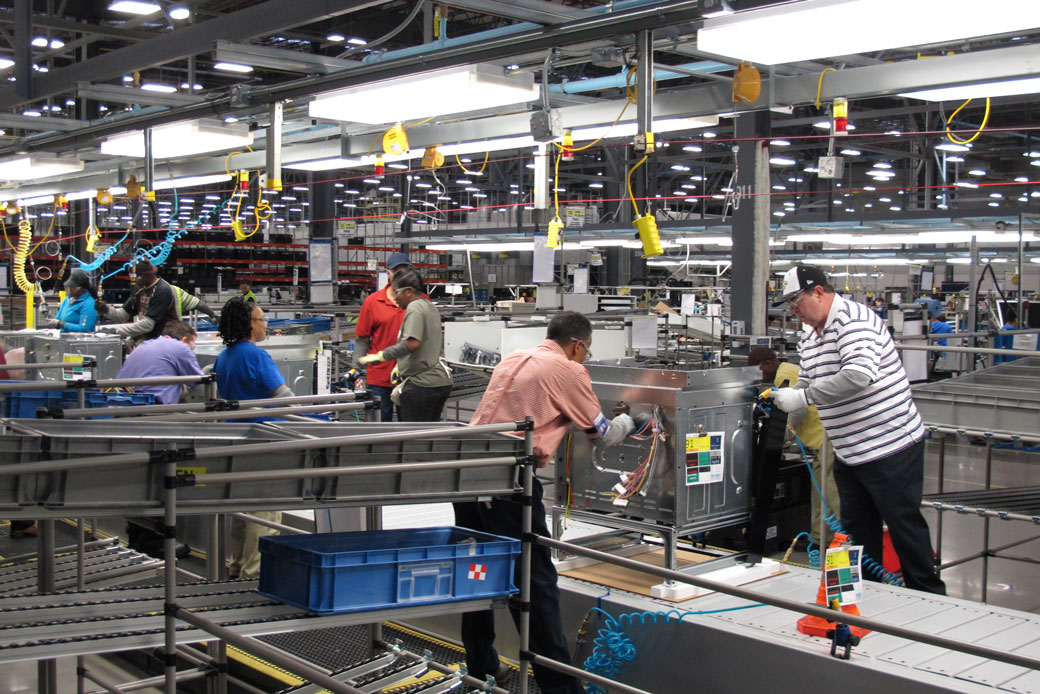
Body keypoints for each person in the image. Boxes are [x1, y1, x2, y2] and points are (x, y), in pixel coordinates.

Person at [454, 311, 639, 693]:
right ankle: (561, 688)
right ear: (578, 345)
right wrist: (632, 422)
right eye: (586, 352)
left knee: (478, 573)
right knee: (536, 583)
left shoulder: (514, 357)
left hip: (465, 478)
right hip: (506, 484)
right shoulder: (568, 370)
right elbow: (600, 434)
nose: (585, 358)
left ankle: (483, 668)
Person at [770, 265, 946, 595]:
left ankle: (930, 598)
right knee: (857, 531)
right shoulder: (811, 331)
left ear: (818, 292)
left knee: (903, 526)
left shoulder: (854, 321)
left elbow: (857, 376)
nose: (794, 311)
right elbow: (809, 375)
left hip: (890, 446)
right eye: (789, 305)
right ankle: (866, 599)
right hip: (849, 450)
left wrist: (804, 396)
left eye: (796, 302)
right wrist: (793, 397)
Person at [215, 297, 293, 579]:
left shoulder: (225, 355)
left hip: (235, 441)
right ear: (250, 325)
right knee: (265, 512)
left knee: (241, 509)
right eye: (262, 320)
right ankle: (255, 573)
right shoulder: (256, 355)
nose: (265, 326)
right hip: (262, 441)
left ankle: (237, 565)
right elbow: (284, 397)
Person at [748, 346, 841, 549]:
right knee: (820, 493)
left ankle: (828, 542)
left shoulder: (785, 375)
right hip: (823, 439)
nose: (759, 376)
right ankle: (819, 539)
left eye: (758, 370)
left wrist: (780, 438)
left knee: (827, 495)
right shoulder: (788, 370)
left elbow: (795, 410)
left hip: (826, 438)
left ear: (767, 364)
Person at [359, 267, 451, 422]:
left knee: (412, 436)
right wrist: (401, 366)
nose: (395, 297)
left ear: (408, 291)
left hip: (421, 384)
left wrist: (381, 356)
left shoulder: (414, 307)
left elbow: (412, 343)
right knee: (429, 434)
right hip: (439, 382)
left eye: (396, 292)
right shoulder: (429, 306)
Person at [353, 251, 414, 421]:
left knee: (410, 429)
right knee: (379, 427)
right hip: (379, 377)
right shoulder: (373, 302)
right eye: (397, 271)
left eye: (405, 270)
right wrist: (355, 368)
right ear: (388, 273)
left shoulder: (420, 300)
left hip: (411, 377)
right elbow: (362, 339)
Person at [116, 321, 204, 405]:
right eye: (192, 345)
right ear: (184, 340)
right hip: (153, 406)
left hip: (123, 401)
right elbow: (198, 381)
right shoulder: (181, 347)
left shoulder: (144, 345)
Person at [95, 260, 178, 344]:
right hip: (150, 342)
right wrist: (106, 309)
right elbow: (123, 315)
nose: (132, 280)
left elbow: (148, 325)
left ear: (143, 275)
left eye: (134, 277)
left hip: (165, 342)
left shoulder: (162, 290)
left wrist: (117, 331)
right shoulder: (140, 290)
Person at [44, 268, 98, 332]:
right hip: (64, 339)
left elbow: (85, 329)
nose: (69, 289)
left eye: (72, 287)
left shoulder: (89, 304)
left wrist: (62, 324)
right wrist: (47, 314)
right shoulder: (67, 299)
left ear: (81, 288)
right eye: (68, 286)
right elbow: (58, 319)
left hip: (79, 341)